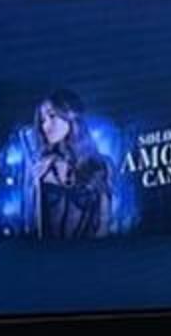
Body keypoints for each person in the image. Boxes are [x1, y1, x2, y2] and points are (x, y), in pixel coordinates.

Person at [21, 91, 114, 241]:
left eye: (52, 116)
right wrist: (34, 184)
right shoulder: (40, 167)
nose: (45, 126)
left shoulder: (101, 165)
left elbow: (104, 224)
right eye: (42, 120)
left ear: (70, 115)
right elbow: (30, 224)